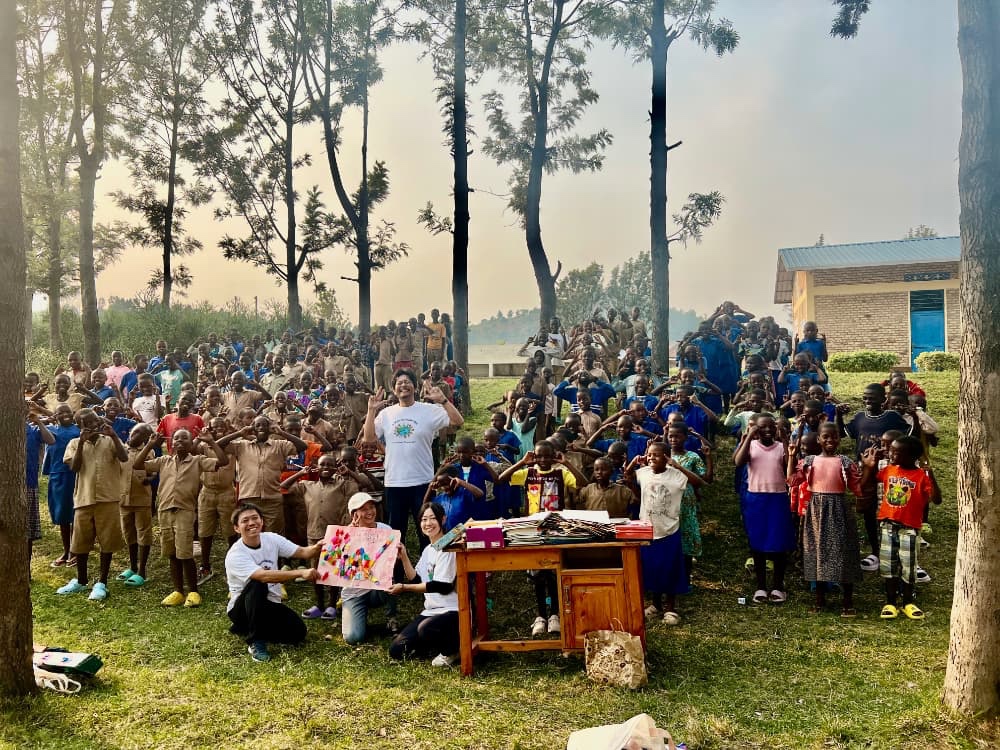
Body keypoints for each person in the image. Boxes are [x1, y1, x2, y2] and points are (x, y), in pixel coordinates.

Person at [362, 369, 463, 550]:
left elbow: (458, 421)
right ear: (394, 390)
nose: (403, 385)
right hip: (394, 482)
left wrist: (443, 400)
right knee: (396, 533)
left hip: (423, 482)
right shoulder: (386, 414)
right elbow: (369, 439)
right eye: (399, 383)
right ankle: (397, 567)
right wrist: (371, 411)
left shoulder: (429, 410)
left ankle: (430, 565)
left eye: (407, 381)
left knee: (428, 531)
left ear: (415, 387)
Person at [135, 427, 228, 607]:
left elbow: (223, 461)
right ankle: (178, 591)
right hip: (164, 511)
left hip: (184, 511)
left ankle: (193, 591)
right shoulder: (164, 461)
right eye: (176, 438)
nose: (179, 441)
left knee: (185, 553)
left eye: (184, 439)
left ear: (191, 443)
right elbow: (138, 465)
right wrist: (150, 445)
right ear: (171, 442)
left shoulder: (197, 461)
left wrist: (210, 441)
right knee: (172, 554)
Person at [225, 503, 323, 662]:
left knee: (298, 633)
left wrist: (318, 547)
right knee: (258, 583)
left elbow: (303, 552)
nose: (251, 523)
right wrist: (300, 572)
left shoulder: (271, 539)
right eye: (245, 521)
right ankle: (256, 642)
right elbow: (263, 576)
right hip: (242, 609)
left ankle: (246, 628)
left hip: (269, 604)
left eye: (255, 518)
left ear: (262, 521)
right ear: (236, 528)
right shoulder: (235, 554)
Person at [625, 441, 705, 625]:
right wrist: (634, 462)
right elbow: (627, 476)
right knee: (652, 568)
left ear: (667, 457)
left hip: (668, 530)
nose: (651, 458)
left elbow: (699, 482)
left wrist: (678, 466)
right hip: (648, 530)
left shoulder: (676, 475)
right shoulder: (644, 472)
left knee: (670, 569)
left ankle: (670, 608)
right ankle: (655, 605)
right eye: (649, 454)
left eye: (656, 455)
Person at [787, 422, 864, 617]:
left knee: (843, 552)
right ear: (818, 439)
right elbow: (792, 481)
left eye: (834, 436)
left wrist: (869, 468)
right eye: (826, 436)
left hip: (839, 509)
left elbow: (858, 488)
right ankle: (820, 600)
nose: (830, 440)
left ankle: (847, 602)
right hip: (816, 509)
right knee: (816, 551)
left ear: (839, 439)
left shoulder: (845, 462)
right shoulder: (809, 461)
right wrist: (791, 456)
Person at [861, 435, 941, 620]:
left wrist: (931, 474)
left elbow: (937, 499)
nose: (890, 454)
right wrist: (870, 466)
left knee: (909, 567)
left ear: (911, 456)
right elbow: (867, 483)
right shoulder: (888, 470)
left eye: (896, 452)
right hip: (888, 526)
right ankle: (890, 603)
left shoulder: (921, 476)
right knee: (888, 566)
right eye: (891, 451)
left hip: (909, 528)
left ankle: (907, 603)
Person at [281, 453, 369, 620]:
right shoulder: (307, 485)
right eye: (323, 464)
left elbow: (365, 484)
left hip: (335, 534)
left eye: (330, 464)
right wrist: (301, 473)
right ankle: (319, 604)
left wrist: (349, 472)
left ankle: (331, 604)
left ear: (335, 467)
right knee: (315, 570)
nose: (326, 467)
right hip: (314, 533)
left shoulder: (343, 485)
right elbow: (283, 486)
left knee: (333, 570)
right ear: (317, 467)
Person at [836, 383, 911, 571]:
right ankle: (875, 551)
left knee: (890, 509)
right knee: (868, 510)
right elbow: (841, 433)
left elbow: (909, 436)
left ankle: (894, 552)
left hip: (889, 470)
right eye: (865, 397)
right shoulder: (860, 417)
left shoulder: (892, 417)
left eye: (872, 398)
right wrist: (838, 415)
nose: (868, 401)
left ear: (883, 399)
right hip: (865, 470)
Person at [56, 409, 129, 601]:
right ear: (80, 426)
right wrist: (82, 442)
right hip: (84, 498)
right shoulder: (74, 443)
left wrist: (114, 436)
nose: (94, 425)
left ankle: (102, 582)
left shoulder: (109, 441)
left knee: (107, 541)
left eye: (95, 420)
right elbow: (75, 467)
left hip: (108, 498)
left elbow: (124, 458)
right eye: (88, 423)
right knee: (80, 542)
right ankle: (81, 580)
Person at [388, 501, 460, 666]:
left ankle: (452, 650)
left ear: (443, 519)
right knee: (397, 649)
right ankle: (433, 644)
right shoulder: (429, 549)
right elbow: (417, 580)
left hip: (452, 610)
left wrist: (404, 588)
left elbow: (442, 586)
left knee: (425, 629)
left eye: (433, 518)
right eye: (424, 519)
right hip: (431, 611)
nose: (428, 523)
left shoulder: (448, 547)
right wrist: (404, 556)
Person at [733, 415, 794, 604]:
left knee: (779, 543)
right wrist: (748, 437)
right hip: (756, 499)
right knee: (757, 543)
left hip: (777, 499)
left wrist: (785, 440)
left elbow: (789, 467)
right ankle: (760, 587)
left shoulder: (781, 447)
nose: (767, 430)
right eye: (762, 427)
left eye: (771, 426)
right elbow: (738, 461)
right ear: (756, 429)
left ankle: (778, 587)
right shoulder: (751, 446)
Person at [217, 416, 309, 536]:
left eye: (264, 425)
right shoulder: (242, 446)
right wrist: (239, 433)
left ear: (269, 428)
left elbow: (302, 446)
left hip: (272, 499)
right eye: (257, 425)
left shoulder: (280, 445)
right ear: (252, 428)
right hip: (249, 498)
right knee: (250, 533)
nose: (261, 428)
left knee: (274, 536)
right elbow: (218, 445)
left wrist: (281, 433)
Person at [340, 491, 400, 642]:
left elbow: (392, 562)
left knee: (389, 578)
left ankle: (392, 618)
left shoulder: (385, 529)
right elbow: (340, 569)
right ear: (353, 514)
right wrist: (352, 536)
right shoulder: (345, 535)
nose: (370, 512)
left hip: (377, 587)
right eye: (363, 509)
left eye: (371, 507)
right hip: (354, 593)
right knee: (353, 637)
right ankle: (357, 618)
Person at [118, 423, 155, 587]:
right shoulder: (121, 450)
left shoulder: (148, 451)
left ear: (146, 438)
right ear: (130, 431)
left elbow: (153, 472)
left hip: (142, 499)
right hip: (123, 499)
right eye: (135, 432)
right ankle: (132, 566)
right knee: (128, 532)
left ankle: (142, 570)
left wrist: (149, 479)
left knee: (143, 532)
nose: (137, 436)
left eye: (142, 434)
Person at [43, 403, 80, 568]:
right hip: (57, 475)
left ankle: (75, 551)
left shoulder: (78, 430)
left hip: (75, 474)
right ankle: (66, 550)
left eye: (68, 411)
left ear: (73, 414)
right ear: (55, 416)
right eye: (60, 412)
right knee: (62, 515)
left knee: (76, 514)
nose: (65, 414)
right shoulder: (50, 430)